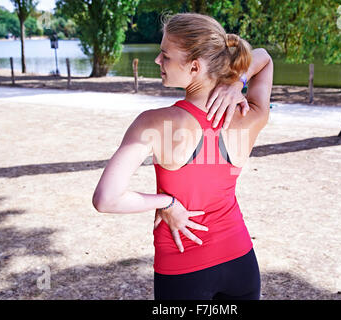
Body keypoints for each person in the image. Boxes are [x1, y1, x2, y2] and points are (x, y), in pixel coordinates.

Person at [92, 12, 273, 300]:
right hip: (241, 263)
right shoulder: (250, 116)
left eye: (165, 55)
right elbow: (263, 58)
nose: (157, 61)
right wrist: (238, 81)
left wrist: (168, 202)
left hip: (183, 270)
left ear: (194, 67)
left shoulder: (153, 123)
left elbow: (106, 199)